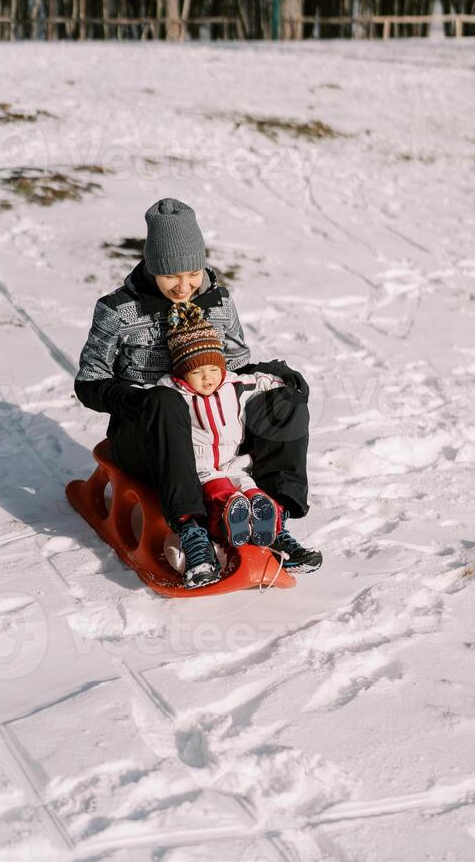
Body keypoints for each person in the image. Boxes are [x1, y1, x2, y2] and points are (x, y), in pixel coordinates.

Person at [74, 196, 321, 589]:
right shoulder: (118, 310)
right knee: (166, 401)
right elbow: (88, 383)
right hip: (146, 434)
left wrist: (278, 378)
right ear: (152, 265)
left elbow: (236, 368)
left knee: (282, 401)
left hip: (216, 432)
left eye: (192, 273)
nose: (184, 286)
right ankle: (192, 532)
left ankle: (273, 516)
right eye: (171, 276)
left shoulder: (218, 302)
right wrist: (139, 399)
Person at [157, 300, 291, 575]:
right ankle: (230, 521)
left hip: (234, 460)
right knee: (220, 494)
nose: (207, 378)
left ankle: (266, 519)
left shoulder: (234, 384)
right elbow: (156, 397)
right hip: (202, 466)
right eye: (197, 372)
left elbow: (261, 381)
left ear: (222, 366)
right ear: (183, 374)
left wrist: (285, 384)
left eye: (213, 370)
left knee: (250, 488)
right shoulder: (176, 393)